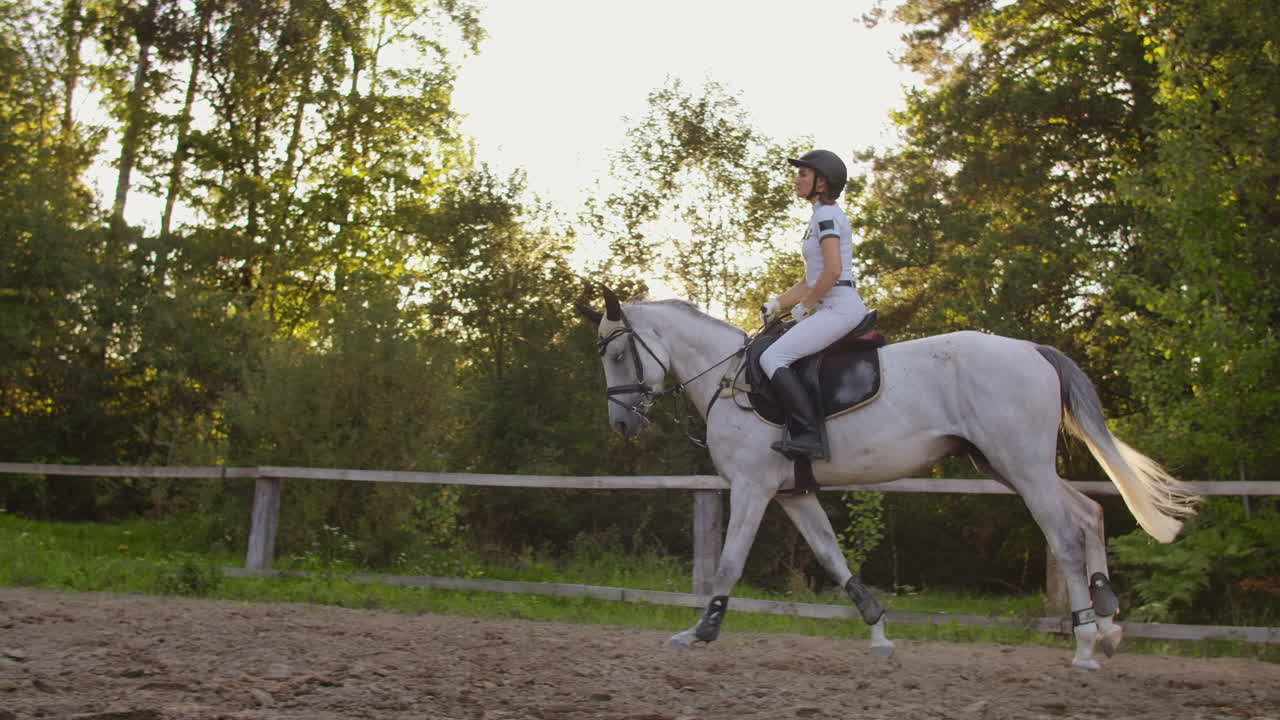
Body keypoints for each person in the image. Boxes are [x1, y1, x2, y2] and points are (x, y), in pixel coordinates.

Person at [758, 149, 870, 459]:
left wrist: (806, 305)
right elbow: (812, 278)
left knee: (773, 357)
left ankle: (808, 435)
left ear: (821, 183)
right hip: (828, 304)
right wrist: (777, 302)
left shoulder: (826, 216)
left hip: (839, 307)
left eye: (803, 174)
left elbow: (832, 271)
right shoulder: (819, 216)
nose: (796, 180)